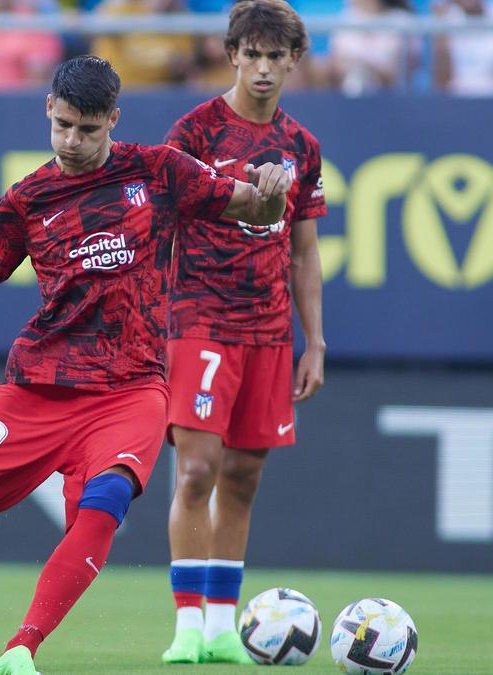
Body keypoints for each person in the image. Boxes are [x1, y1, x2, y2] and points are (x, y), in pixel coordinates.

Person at [0, 55, 291, 675]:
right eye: (63, 125)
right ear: (48, 109)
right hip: (41, 384)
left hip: (132, 388)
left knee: (107, 501)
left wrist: (272, 193)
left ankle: (20, 648)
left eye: (88, 130)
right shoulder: (28, 199)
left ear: (113, 120)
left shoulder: (160, 172)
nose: (73, 141)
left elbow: (253, 210)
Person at [159, 0, 327, 665]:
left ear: (293, 61)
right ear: (231, 55)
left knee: (244, 476)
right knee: (197, 467)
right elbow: (164, 217)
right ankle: (186, 626)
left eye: (274, 56)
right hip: (199, 318)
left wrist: (313, 341)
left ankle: (225, 626)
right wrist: (242, 189)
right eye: (250, 54)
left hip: (267, 332)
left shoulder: (303, 147)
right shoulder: (195, 130)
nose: (262, 68)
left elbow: (304, 251)